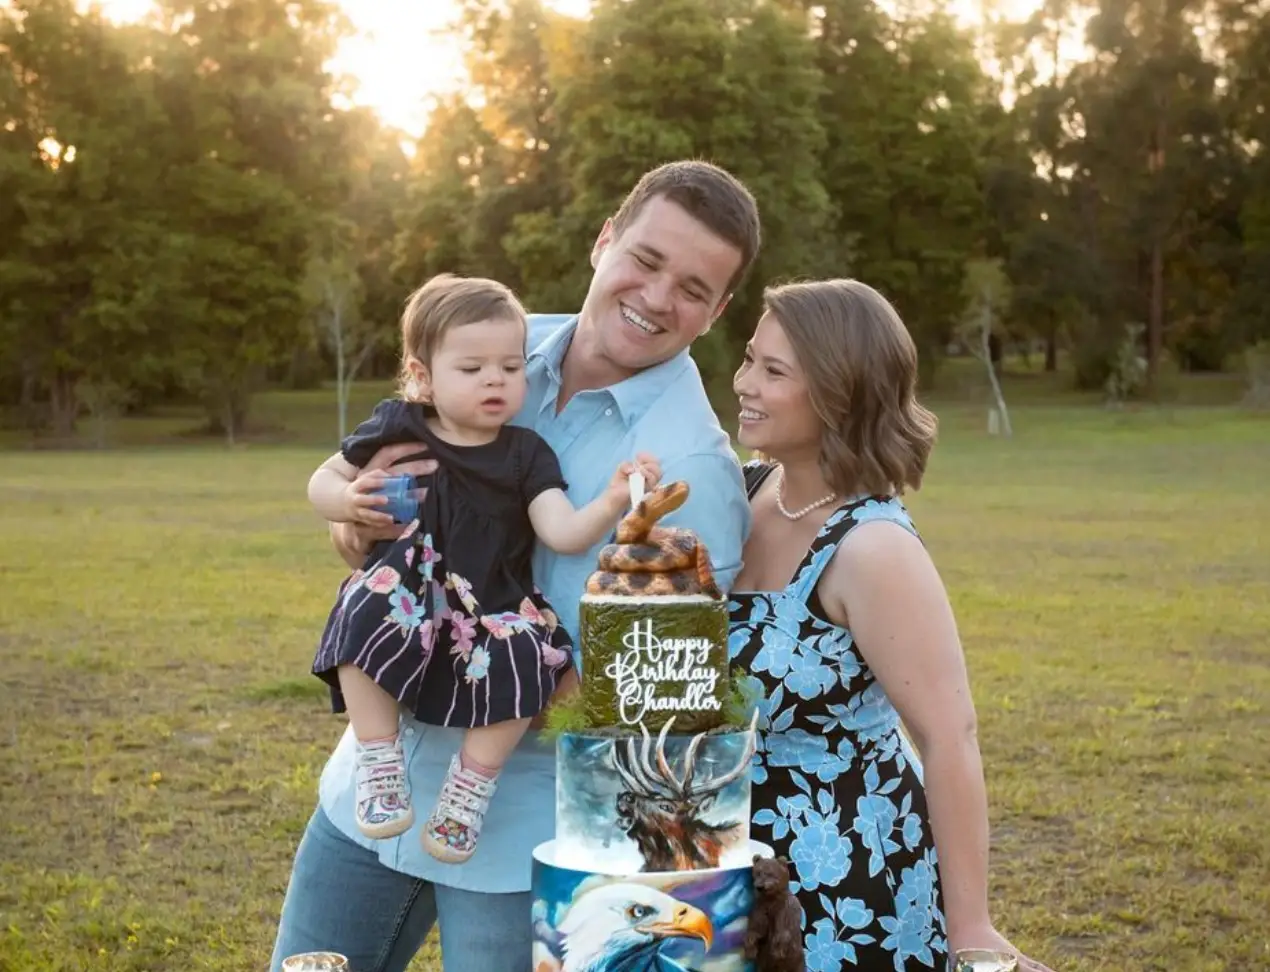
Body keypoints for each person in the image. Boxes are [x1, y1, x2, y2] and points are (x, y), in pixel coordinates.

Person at [270, 159, 760, 972]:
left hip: (514, 831)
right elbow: (356, 503)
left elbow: (649, 700)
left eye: (694, 287)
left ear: (715, 312)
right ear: (605, 240)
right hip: (370, 789)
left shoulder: (690, 470)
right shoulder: (494, 344)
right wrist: (358, 531)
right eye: (646, 258)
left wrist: (494, 684)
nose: (657, 296)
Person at [728, 278, 1055, 972]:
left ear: (838, 392)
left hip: (845, 878)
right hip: (734, 864)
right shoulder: (744, 493)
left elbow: (949, 735)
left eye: (773, 370)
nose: (743, 382)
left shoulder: (872, 548)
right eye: (750, 359)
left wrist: (971, 925)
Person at [306, 272, 661, 864]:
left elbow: (562, 532)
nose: (494, 379)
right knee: (367, 602)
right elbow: (323, 480)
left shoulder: (525, 455)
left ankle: (469, 788)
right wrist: (347, 502)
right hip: (410, 591)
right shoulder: (400, 426)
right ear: (423, 376)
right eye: (471, 369)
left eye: (511, 366)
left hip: (489, 606)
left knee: (531, 656)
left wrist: (611, 499)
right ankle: (379, 756)